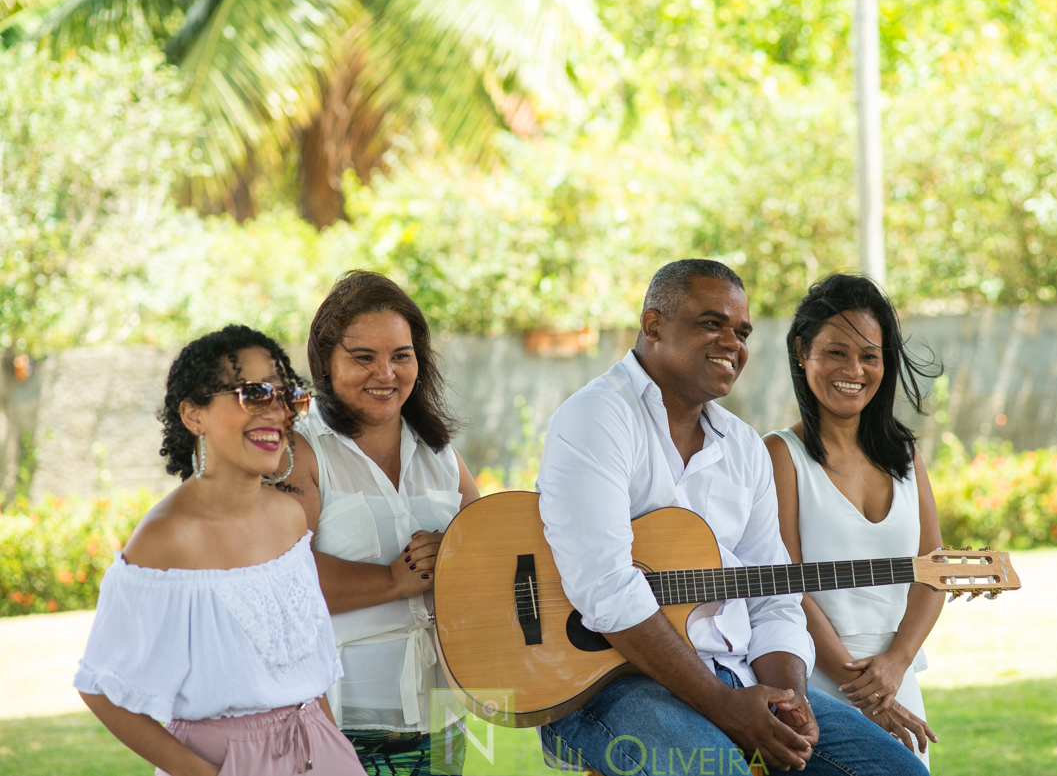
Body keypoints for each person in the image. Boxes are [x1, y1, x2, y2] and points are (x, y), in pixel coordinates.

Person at [536, 259, 928, 776]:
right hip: (608, 683)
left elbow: (775, 595)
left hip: (736, 672)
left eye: (741, 331)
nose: (732, 342)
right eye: (711, 323)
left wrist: (791, 699)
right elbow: (608, 590)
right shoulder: (598, 418)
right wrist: (724, 708)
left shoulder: (742, 447)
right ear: (653, 326)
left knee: (897, 771)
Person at [75, 325, 365, 776]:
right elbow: (99, 688)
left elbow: (307, 665)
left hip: (321, 750)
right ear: (194, 415)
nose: (275, 411)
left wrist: (336, 755)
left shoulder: (290, 517)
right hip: (224, 762)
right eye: (253, 393)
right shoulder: (166, 539)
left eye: (285, 396)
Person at [283, 271, 481, 776]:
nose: (386, 373)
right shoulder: (301, 453)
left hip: (443, 718)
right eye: (363, 357)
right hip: (338, 723)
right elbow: (280, 576)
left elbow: (491, 555)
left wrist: (456, 553)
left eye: (401, 355)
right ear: (326, 363)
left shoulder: (440, 454)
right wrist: (394, 580)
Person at [764, 273, 945, 767]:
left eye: (870, 355)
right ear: (802, 352)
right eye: (836, 352)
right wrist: (862, 688)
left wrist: (896, 666)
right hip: (815, 684)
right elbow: (785, 586)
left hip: (897, 676)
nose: (855, 369)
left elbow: (934, 569)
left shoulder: (905, 452)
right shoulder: (782, 454)